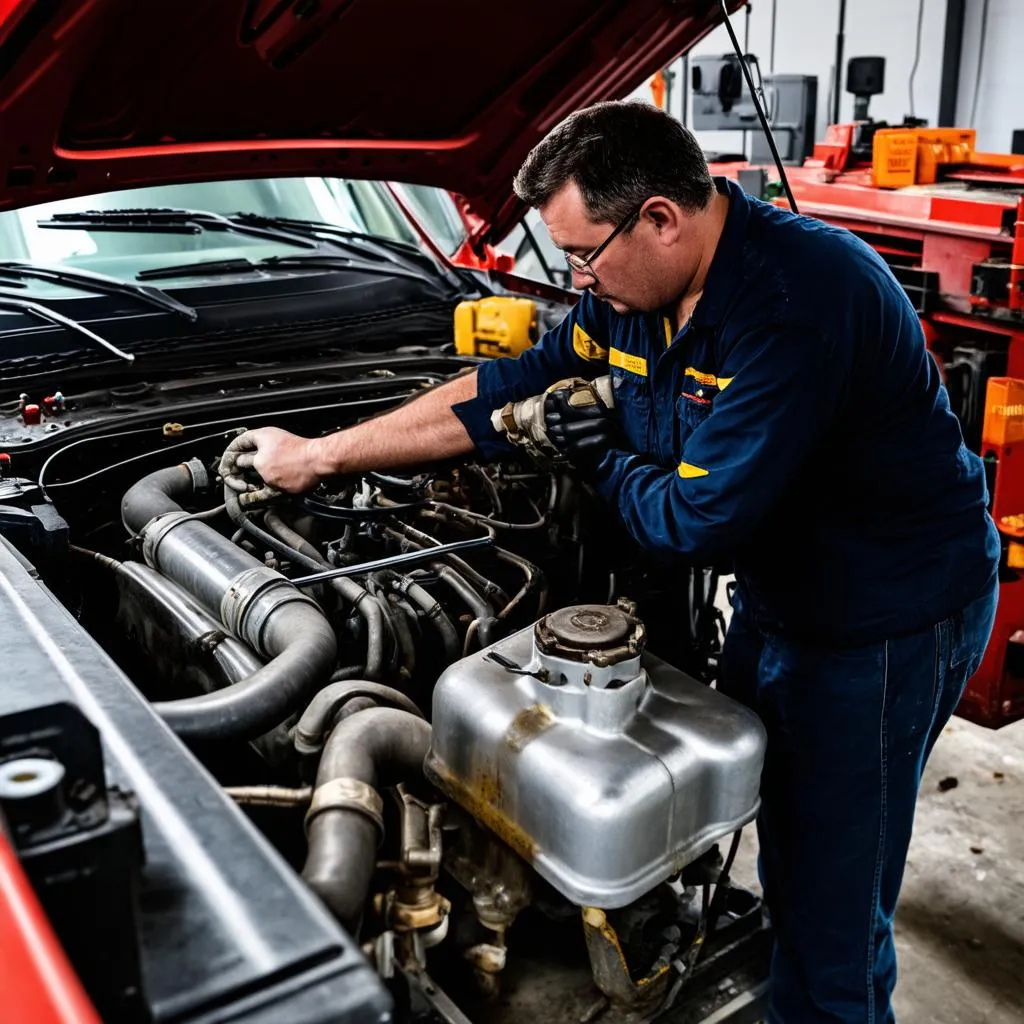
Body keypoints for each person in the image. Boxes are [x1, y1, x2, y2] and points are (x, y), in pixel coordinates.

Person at [230, 100, 999, 1023]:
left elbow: (690, 519)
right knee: (771, 815)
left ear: (661, 219)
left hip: (883, 619)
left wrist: (593, 450)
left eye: (584, 256)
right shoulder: (633, 298)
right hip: (783, 588)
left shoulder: (800, 305)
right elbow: (507, 387)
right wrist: (320, 455)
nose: (577, 282)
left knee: (834, 904)